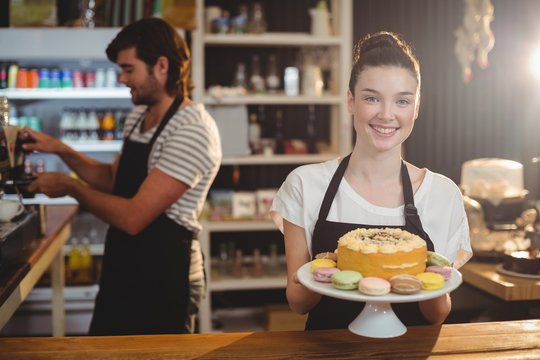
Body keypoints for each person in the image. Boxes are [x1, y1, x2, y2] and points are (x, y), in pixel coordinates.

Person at [23, 18, 222, 335]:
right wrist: (59, 149)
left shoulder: (192, 130)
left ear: (161, 66)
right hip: (124, 269)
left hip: (165, 279)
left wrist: (71, 187)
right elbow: (115, 180)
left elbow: (134, 217)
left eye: (129, 69)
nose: (122, 78)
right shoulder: (138, 116)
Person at [270, 31, 472, 330]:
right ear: (351, 101)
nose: (387, 114)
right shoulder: (306, 184)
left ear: (416, 107)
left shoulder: (443, 194)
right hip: (328, 351)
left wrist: (428, 273)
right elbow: (298, 303)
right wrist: (343, 263)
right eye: (372, 98)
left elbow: (437, 315)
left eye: (402, 101)